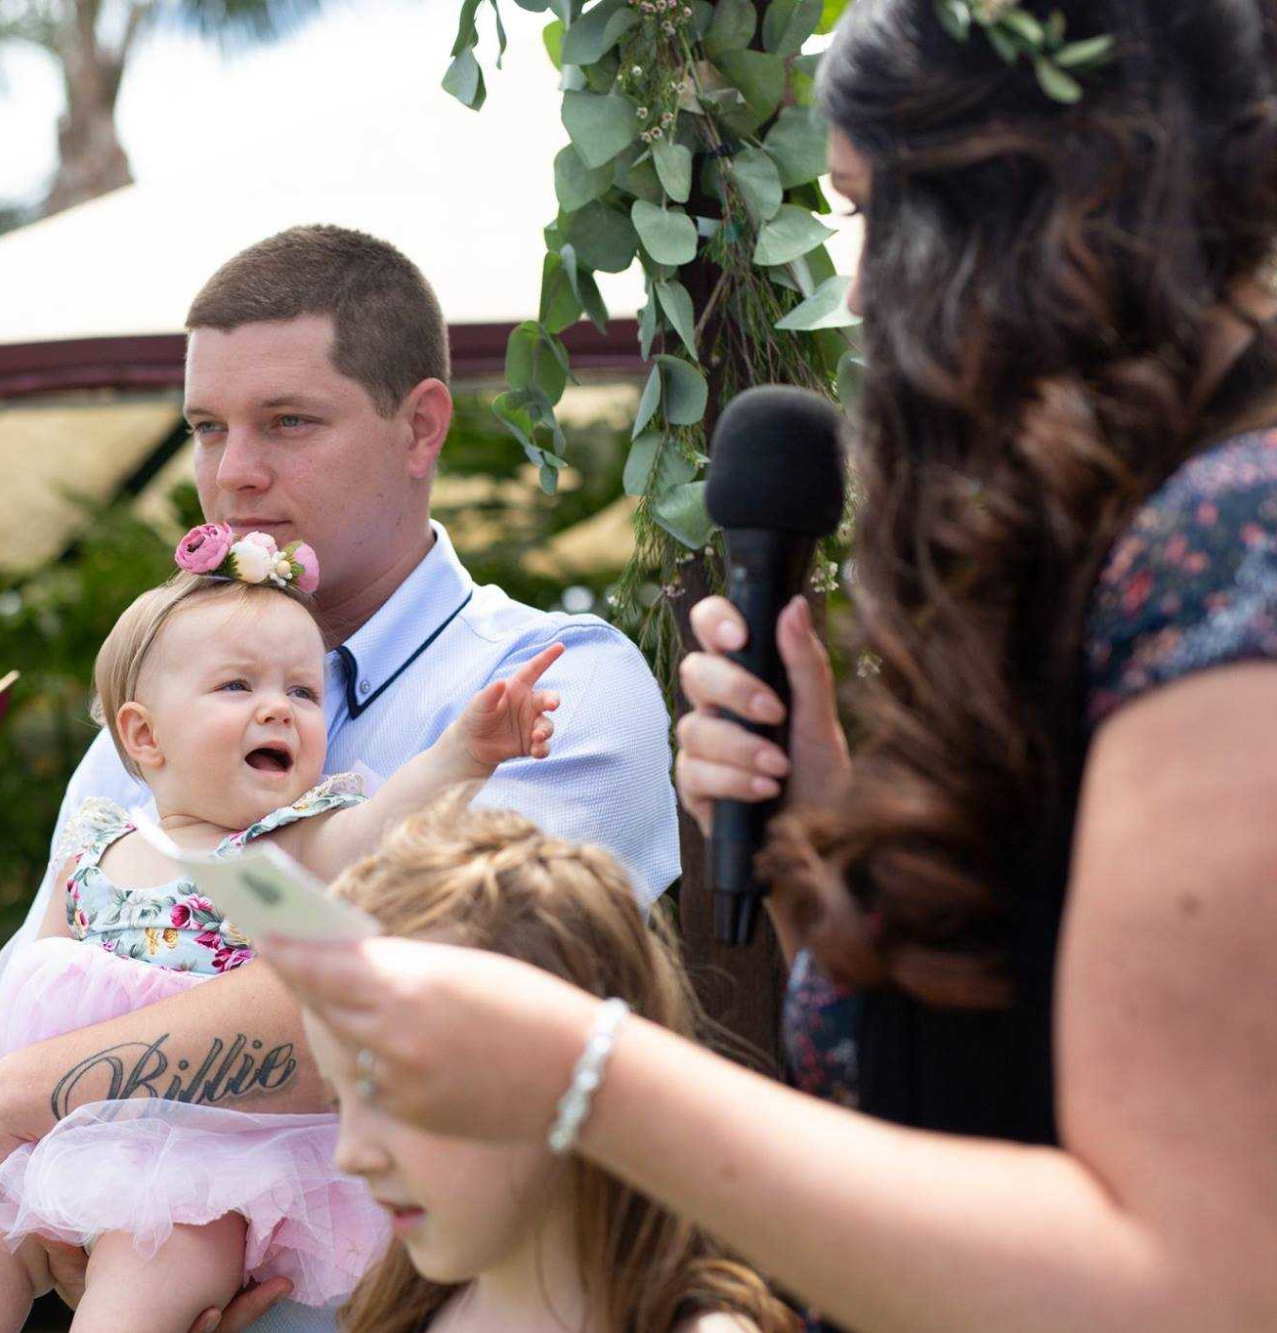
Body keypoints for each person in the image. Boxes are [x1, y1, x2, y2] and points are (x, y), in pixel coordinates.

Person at [258, 2, 1277, 1330]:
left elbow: (1193, 1278)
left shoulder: (1231, 546)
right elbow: (959, 1113)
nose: (853, 291)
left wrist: (586, 1075)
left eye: (864, 212)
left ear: (1022, 210)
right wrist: (817, 839)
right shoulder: (1114, 549)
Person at [0, 224, 682, 1332]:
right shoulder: (150, 717)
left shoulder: (554, 689)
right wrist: (82, 1222)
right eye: (206, 427)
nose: (232, 473)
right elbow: (4, 1018)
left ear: (419, 425)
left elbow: (404, 1014)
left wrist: (27, 1098)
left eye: (288, 422)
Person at [0, 540, 564, 1333]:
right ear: (145, 737)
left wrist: (462, 756)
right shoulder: (93, 843)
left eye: (302, 689)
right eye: (236, 685)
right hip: (42, 1143)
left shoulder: (282, 845)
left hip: (203, 1165)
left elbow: (380, 833)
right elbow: (22, 988)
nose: (279, 706)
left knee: (130, 1309)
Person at [310, 798, 794, 1333]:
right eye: (338, 1100)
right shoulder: (392, 1314)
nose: (349, 1155)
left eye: (392, 1093)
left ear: (568, 1068)